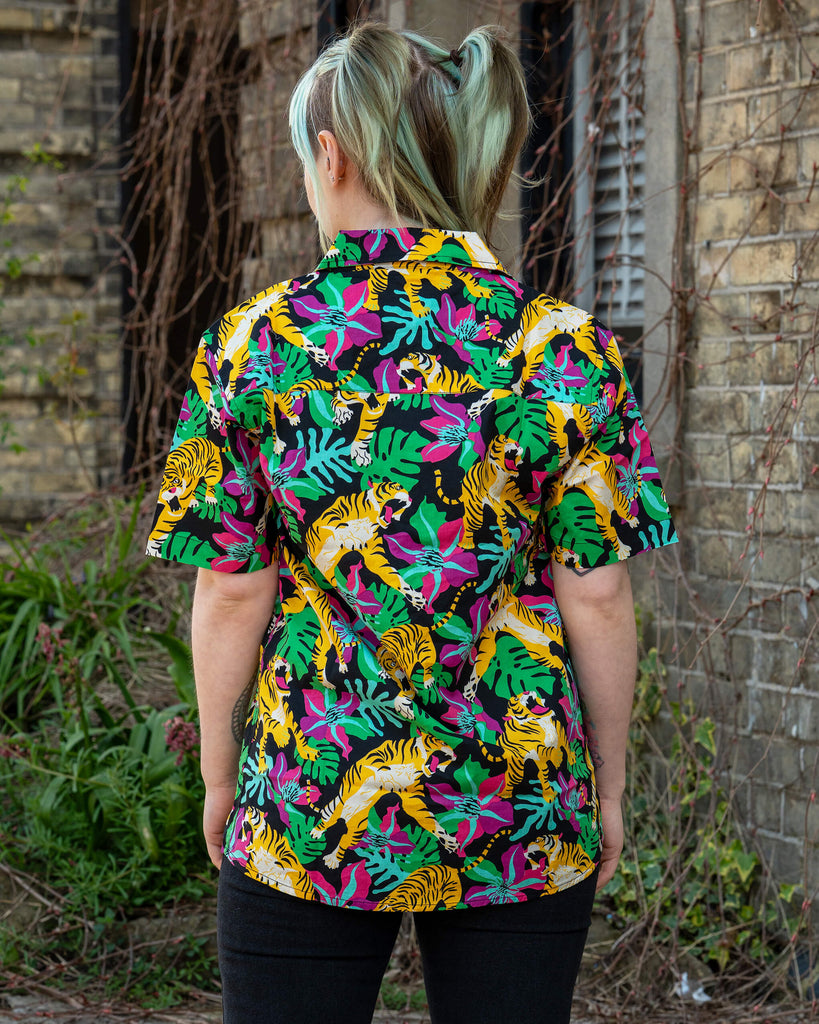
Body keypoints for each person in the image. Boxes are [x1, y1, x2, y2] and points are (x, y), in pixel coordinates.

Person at [147, 21, 677, 1024]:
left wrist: (223, 772)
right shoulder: (565, 350)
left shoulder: (253, 348)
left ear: (332, 157)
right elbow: (598, 592)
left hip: (309, 793)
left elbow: (230, 587)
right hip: (515, 798)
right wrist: (605, 785)